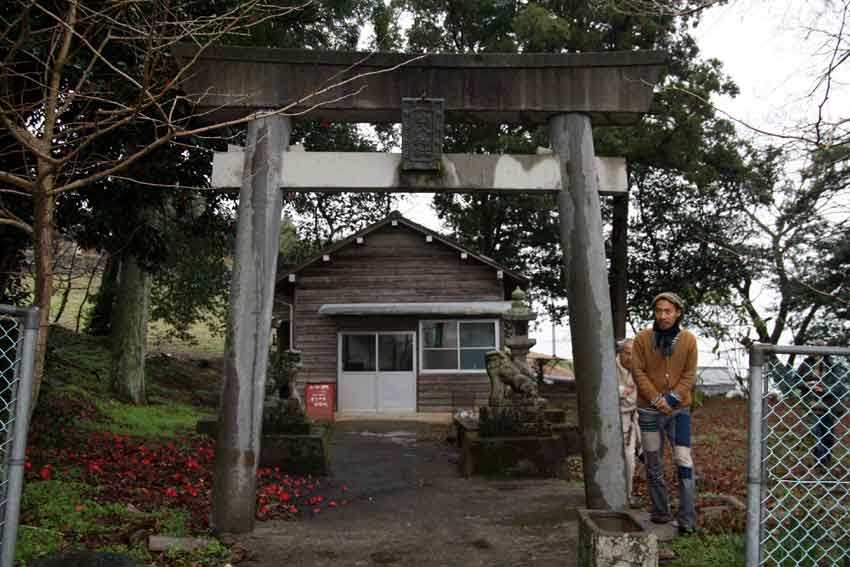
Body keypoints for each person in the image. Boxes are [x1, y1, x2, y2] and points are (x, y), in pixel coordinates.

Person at [632, 292, 698, 536]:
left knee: (684, 461)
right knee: (653, 462)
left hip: (679, 412)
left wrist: (672, 398)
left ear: (678, 312)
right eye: (659, 311)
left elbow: (689, 375)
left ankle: (687, 518)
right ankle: (660, 512)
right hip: (649, 412)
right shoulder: (642, 339)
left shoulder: (689, 340)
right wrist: (657, 399)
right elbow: (638, 372)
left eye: (668, 311)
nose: (663, 316)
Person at [796, 352, 849, 471]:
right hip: (811, 404)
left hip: (828, 404)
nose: (817, 355)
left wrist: (824, 388)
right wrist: (807, 384)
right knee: (816, 432)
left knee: (828, 435)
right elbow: (796, 381)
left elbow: (838, 385)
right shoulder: (805, 365)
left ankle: (826, 459)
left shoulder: (831, 365)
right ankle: (820, 460)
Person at [616, 338, 643, 508]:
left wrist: (624, 394)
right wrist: (621, 392)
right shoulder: (609, 367)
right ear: (620, 353)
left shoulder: (639, 369)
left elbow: (635, 398)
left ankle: (627, 495)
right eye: (627, 353)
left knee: (628, 458)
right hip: (611, 419)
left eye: (634, 354)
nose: (630, 357)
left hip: (631, 419)